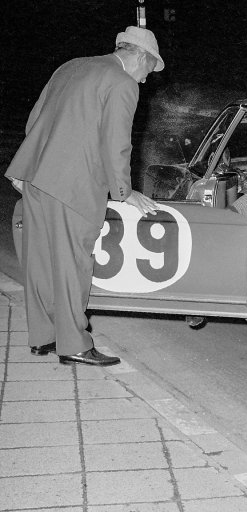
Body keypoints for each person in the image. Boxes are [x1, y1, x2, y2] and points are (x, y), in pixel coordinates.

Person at [4, 26, 163, 366]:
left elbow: (37, 117)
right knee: (72, 264)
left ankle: (42, 337)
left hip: (36, 177)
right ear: (139, 55)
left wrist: (25, 166)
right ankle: (74, 344)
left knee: (40, 262)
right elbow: (116, 143)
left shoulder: (72, 66)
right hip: (73, 187)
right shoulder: (123, 83)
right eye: (149, 70)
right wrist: (124, 192)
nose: (146, 79)